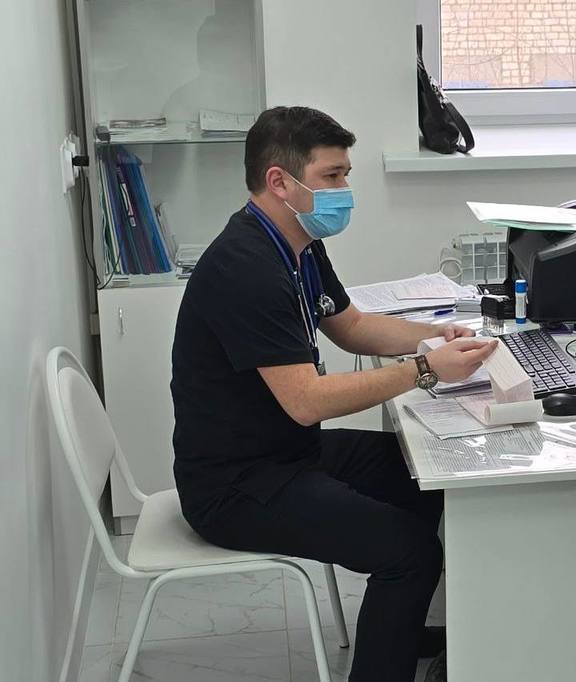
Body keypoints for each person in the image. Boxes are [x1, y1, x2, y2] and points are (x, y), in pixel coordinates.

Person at [170, 105, 496, 682]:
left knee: (424, 478)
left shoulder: (296, 242)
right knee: (410, 552)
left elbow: (352, 326)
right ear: (279, 181)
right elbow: (307, 401)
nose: (345, 190)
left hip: (284, 451)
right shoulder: (246, 268)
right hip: (235, 485)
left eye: (346, 174)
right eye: (332, 176)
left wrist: (438, 336)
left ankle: (398, 626)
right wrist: (426, 369)